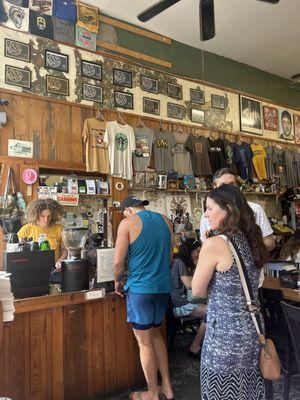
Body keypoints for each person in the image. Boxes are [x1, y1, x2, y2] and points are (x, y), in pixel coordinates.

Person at [192, 184, 269, 400]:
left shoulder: (215, 244)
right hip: (252, 331)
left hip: (224, 337)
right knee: (248, 391)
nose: (205, 214)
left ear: (228, 208)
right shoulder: (252, 240)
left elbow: (197, 290)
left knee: (219, 392)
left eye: (209, 208)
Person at [113, 196, 174, 400]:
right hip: (163, 287)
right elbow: (170, 258)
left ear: (128, 210)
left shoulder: (127, 223)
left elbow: (118, 263)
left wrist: (117, 281)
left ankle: (152, 393)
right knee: (157, 336)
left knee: (145, 342)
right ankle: (168, 388)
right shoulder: (165, 220)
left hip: (140, 290)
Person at [200, 168, 275, 251]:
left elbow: (270, 242)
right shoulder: (207, 216)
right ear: (215, 187)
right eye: (223, 186)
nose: (229, 189)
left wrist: (245, 253)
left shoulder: (255, 209)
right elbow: (206, 248)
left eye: (232, 185)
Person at [171, 237, 206, 359]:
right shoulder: (179, 262)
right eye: (197, 252)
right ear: (190, 251)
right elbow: (189, 285)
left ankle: (200, 345)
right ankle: (195, 346)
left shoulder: (180, 262)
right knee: (211, 312)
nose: (198, 254)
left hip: (182, 301)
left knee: (211, 309)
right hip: (180, 304)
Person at [18, 198, 67, 269]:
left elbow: (64, 250)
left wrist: (60, 261)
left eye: (49, 216)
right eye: (42, 216)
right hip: (31, 268)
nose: (46, 220)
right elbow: (16, 249)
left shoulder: (59, 229)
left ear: (53, 215)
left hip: (54, 268)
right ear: (36, 215)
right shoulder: (27, 228)